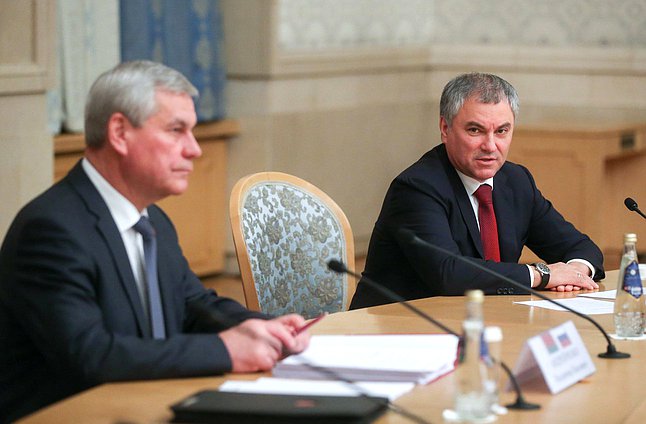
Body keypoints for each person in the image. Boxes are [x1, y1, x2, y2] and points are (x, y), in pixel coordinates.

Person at [0, 61, 310, 422]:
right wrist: (226, 350)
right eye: (176, 130)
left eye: (192, 132)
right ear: (119, 132)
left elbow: (193, 304)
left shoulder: (152, 219)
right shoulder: (53, 229)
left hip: (145, 404)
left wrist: (259, 327)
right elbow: (91, 354)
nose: (194, 149)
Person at [350, 72, 604, 309]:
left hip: (480, 322)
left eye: (502, 131)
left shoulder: (515, 181)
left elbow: (581, 247)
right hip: (397, 334)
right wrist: (543, 274)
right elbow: (448, 273)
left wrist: (576, 272)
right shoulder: (417, 188)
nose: (490, 146)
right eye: (475, 130)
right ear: (445, 129)